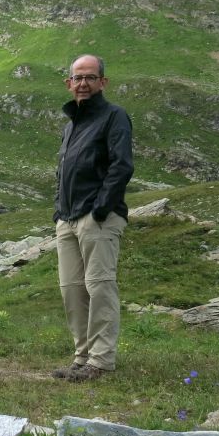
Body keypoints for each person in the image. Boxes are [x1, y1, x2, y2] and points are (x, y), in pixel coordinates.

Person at [51, 54, 133, 381]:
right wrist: (60, 210)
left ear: (103, 82)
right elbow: (63, 172)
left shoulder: (115, 117)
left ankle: (100, 361)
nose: (83, 83)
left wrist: (100, 208)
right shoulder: (71, 125)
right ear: (68, 83)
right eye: (78, 78)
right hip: (67, 218)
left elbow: (121, 166)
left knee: (99, 287)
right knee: (72, 289)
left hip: (97, 217)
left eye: (90, 77)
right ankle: (81, 357)